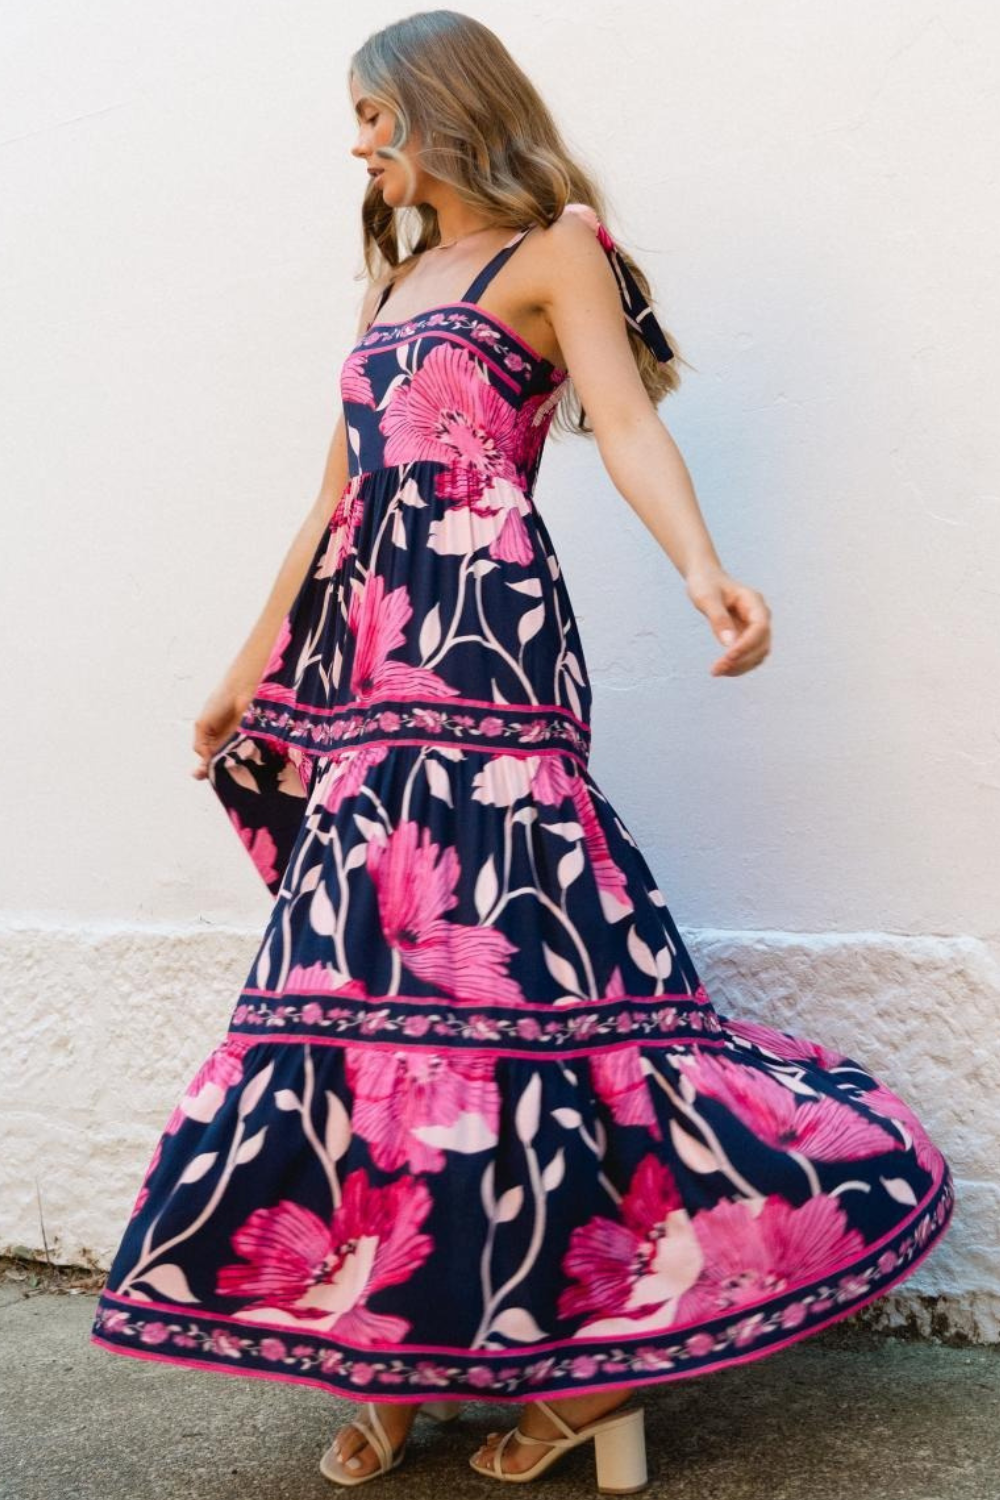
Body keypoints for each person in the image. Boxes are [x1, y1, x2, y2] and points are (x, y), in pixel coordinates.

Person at [89, 9, 956, 1493]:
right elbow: (329, 509)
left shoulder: (553, 250)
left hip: (488, 641)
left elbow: (621, 425)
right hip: (367, 660)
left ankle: (576, 1381)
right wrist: (242, 676)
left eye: (375, 112)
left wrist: (704, 571)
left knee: (513, 972)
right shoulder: (391, 279)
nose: (358, 141)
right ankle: (394, 1350)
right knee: (361, 983)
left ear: (441, 107)